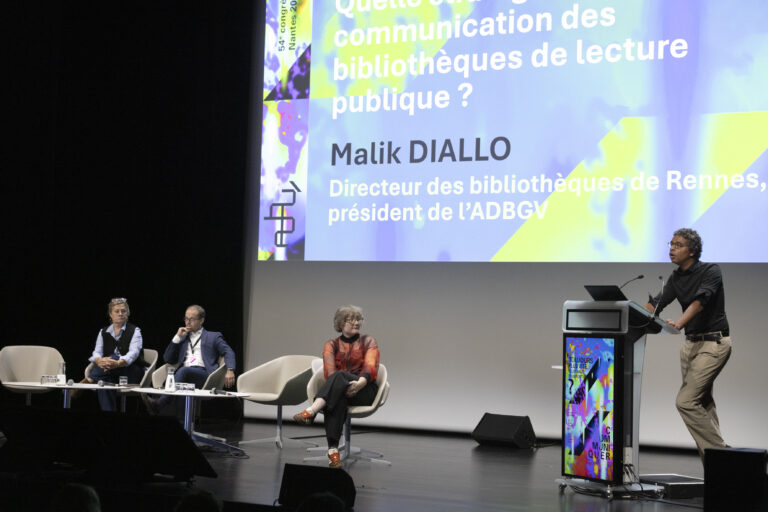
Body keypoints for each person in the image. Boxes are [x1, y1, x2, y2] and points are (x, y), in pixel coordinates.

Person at [644, 228, 731, 461]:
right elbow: (657, 303)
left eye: (678, 245)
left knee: (686, 401)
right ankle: (716, 470)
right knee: (702, 404)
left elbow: (700, 302)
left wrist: (680, 323)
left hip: (713, 343)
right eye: (671, 244)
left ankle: (725, 456)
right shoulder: (676, 277)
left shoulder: (711, 271)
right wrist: (631, 314)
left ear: (692, 251)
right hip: (690, 345)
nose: (672, 248)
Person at [293, 305, 380, 468]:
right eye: (351, 320)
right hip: (340, 390)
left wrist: (359, 384)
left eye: (358, 319)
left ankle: (312, 411)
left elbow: (370, 366)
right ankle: (333, 452)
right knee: (337, 394)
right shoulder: (331, 345)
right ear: (341, 323)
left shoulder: (368, 341)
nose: (356, 323)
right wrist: (344, 387)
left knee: (338, 380)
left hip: (364, 390)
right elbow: (330, 373)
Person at [146, 305, 236, 418]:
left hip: (205, 375)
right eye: (186, 319)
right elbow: (168, 359)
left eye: (191, 319)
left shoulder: (213, 336)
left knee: (184, 371)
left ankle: (161, 403)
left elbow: (228, 352)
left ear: (201, 320)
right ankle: (183, 423)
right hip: (183, 375)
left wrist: (230, 370)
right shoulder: (183, 337)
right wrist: (177, 337)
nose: (187, 322)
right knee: (183, 381)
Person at [86, 297, 146, 411]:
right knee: (104, 383)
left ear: (127, 313)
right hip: (108, 372)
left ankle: (90, 379)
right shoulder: (103, 332)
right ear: (110, 314)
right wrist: (99, 360)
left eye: (123, 311)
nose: (120, 314)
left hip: (131, 372)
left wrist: (117, 363)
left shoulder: (135, 331)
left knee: (113, 357)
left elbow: (133, 354)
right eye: (117, 311)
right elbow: (97, 352)